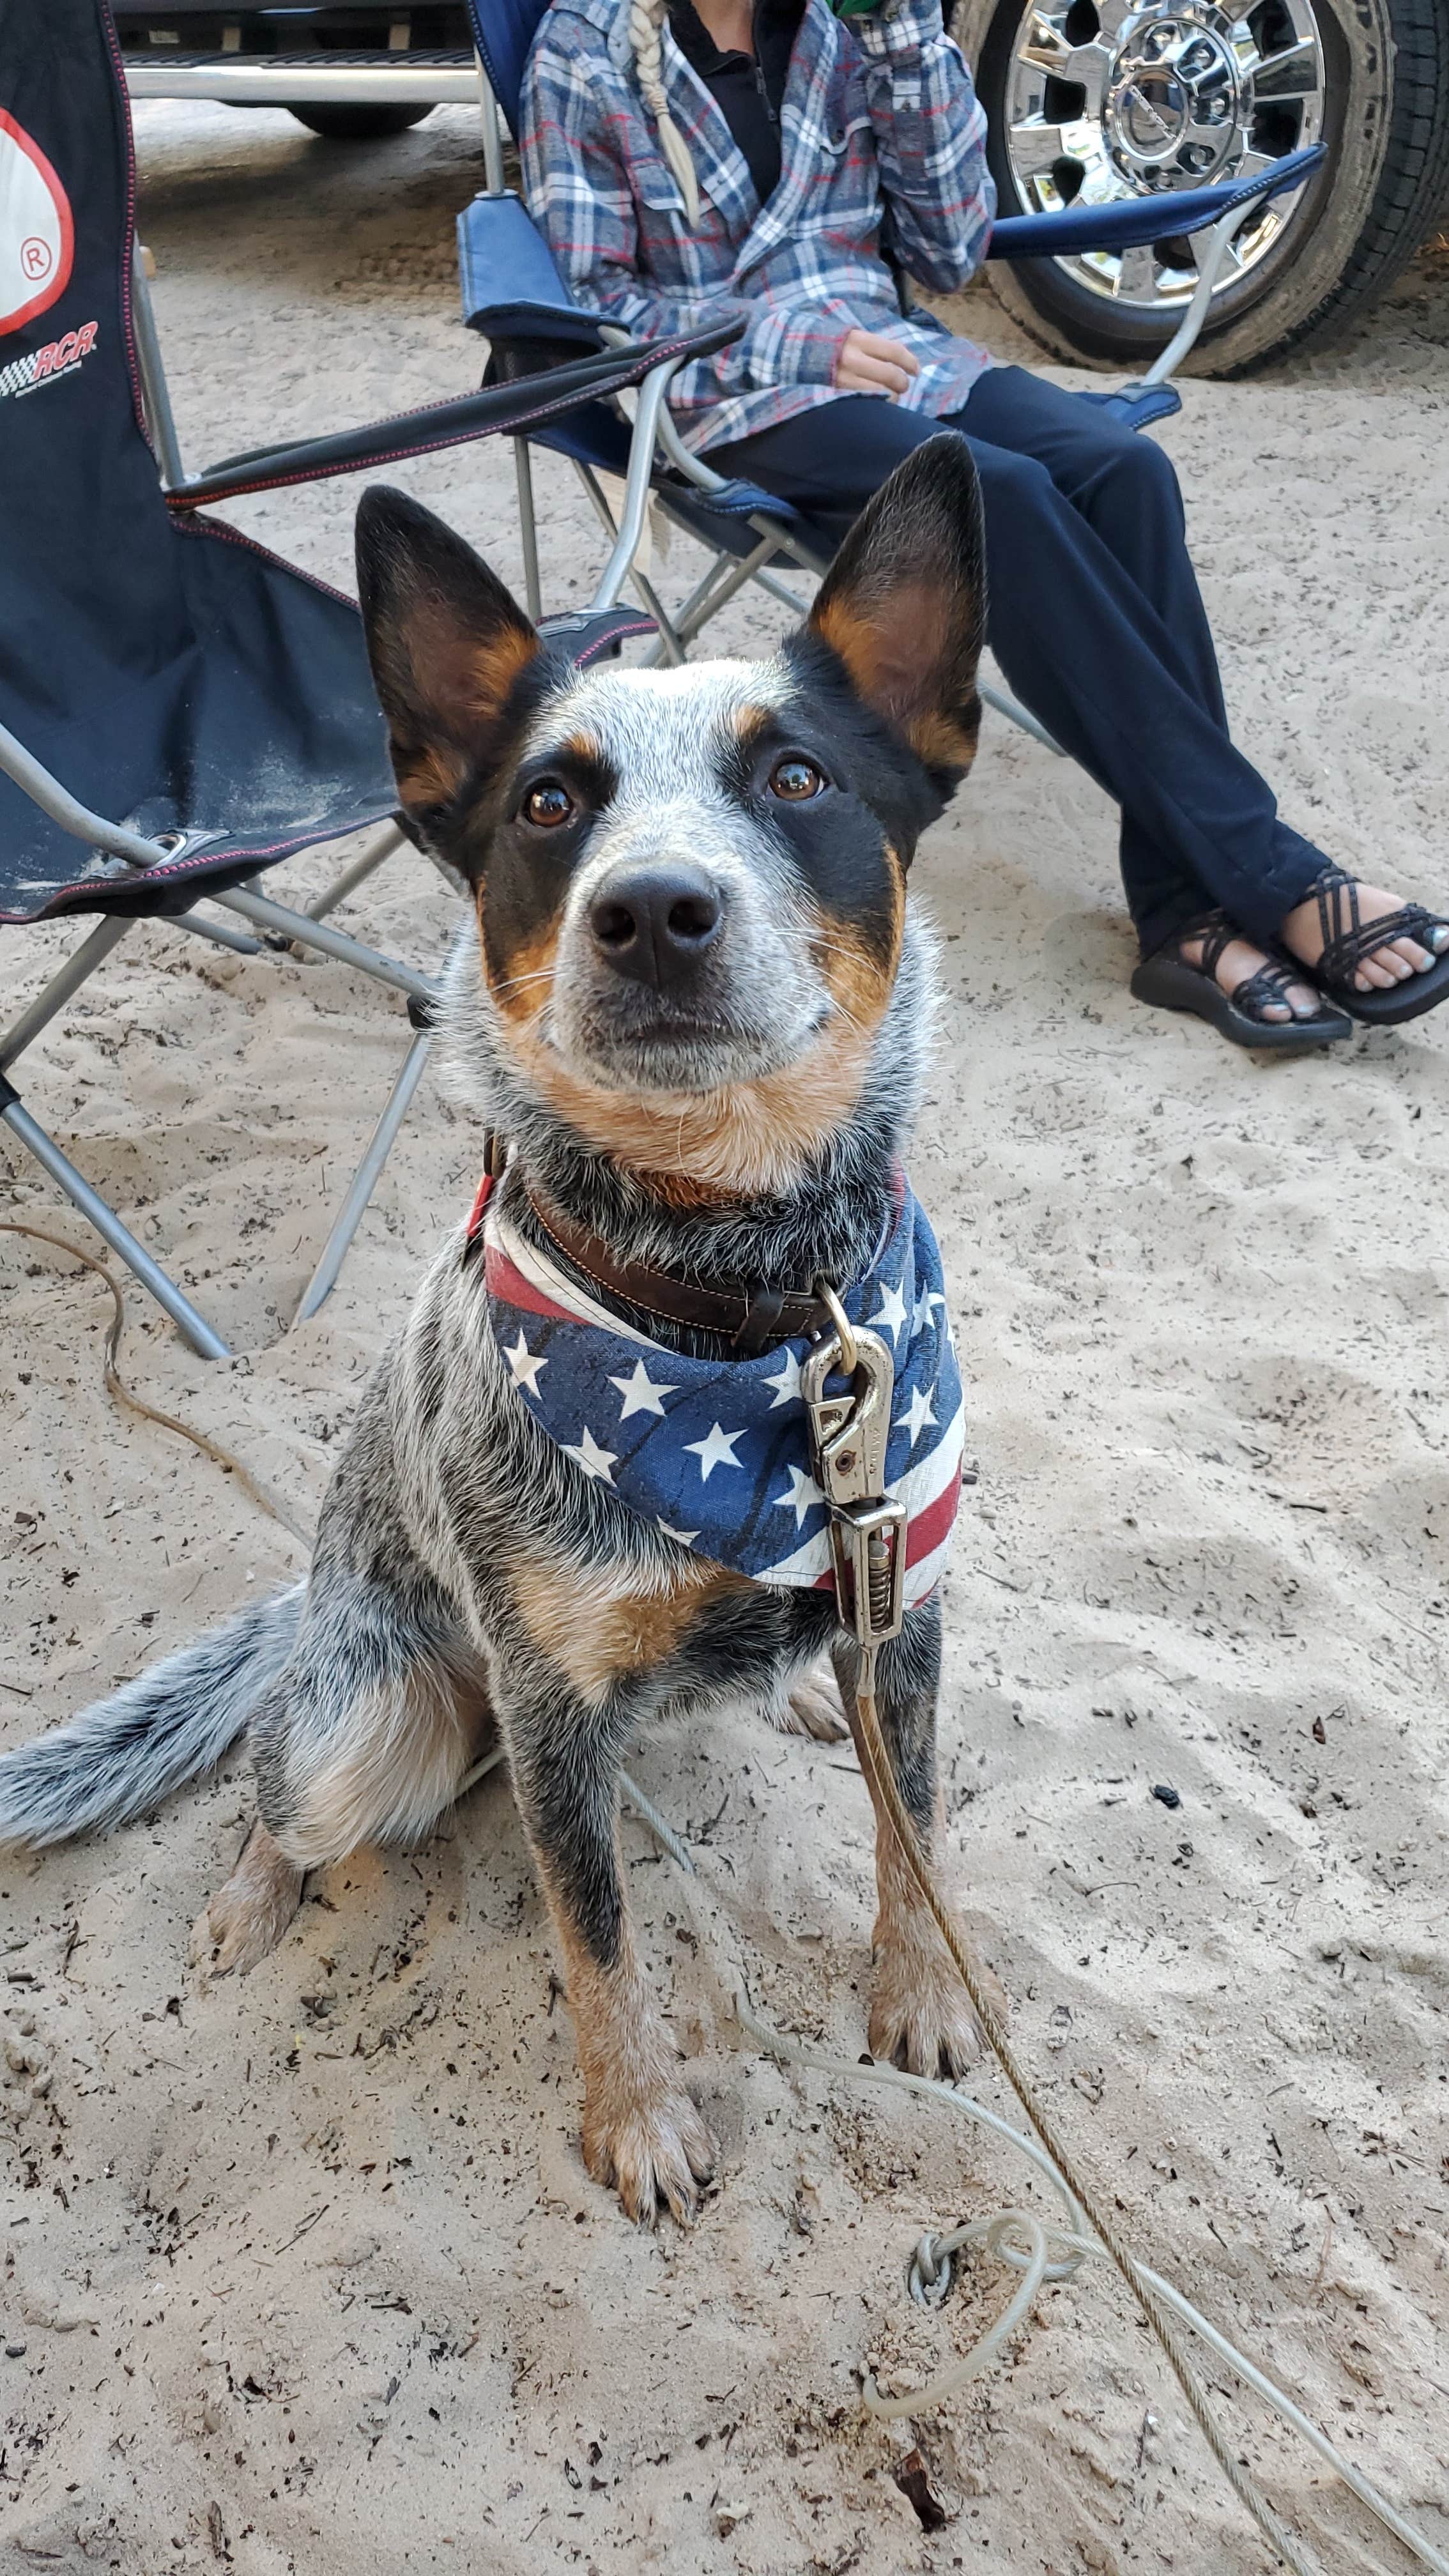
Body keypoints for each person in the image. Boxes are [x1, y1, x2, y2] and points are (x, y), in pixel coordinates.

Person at [518, 0, 1449, 1048]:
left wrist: (901, 41)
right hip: (736, 399)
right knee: (1001, 495)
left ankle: (1183, 914)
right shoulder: (584, 47)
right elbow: (600, 307)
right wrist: (795, 348)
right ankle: (1270, 874)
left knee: (1126, 470)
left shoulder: (842, 26)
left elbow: (953, 248)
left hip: (898, 356)